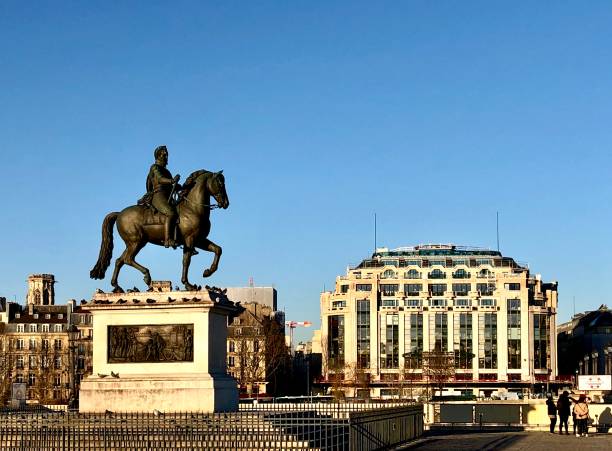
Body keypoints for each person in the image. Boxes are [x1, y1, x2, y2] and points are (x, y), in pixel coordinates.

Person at [142, 145, 181, 248]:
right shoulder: (154, 167)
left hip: (168, 195)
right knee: (171, 213)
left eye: (166, 155)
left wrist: (177, 186)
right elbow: (160, 179)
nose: (166, 157)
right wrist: (172, 181)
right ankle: (168, 239)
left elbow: (170, 186)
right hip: (158, 195)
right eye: (164, 154)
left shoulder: (167, 171)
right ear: (158, 155)